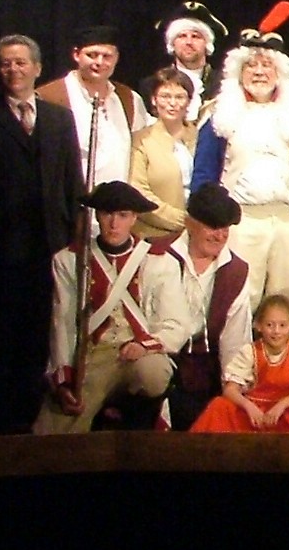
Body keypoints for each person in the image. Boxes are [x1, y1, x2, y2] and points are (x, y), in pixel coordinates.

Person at [0, 34, 82, 433]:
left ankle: (32, 421)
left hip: (51, 246)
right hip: (2, 250)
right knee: (2, 338)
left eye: (20, 62)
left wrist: (75, 238)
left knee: (42, 337)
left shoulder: (59, 119)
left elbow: (72, 182)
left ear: (37, 68)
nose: (13, 70)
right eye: (5, 63)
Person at [191, 2, 289, 324]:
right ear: (238, 72)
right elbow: (204, 176)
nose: (258, 72)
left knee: (288, 303)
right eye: (250, 65)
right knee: (239, 301)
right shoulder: (218, 113)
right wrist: (207, 225)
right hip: (239, 220)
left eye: (266, 65)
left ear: (279, 72)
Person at [33, 182, 190, 434]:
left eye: (123, 215)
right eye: (107, 214)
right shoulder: (70, 259)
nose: (114, 224)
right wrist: (64, 378)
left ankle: (135, 414)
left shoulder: (159, 261)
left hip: (139, 354)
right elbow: (62, 322)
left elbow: (177, 323)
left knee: (153, 374)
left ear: (134, 218)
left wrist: (144, 345)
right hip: (93, 355)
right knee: (53, 431)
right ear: (97, 215)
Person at [147, 183, 255, 430]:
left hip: (206, 372)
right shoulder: (157, 254)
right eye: (212, 227)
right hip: (161, 360)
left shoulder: (236, 270)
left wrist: (234, 388)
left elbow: (235, 341)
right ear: (189, 223)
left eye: (225, 229)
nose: (219, 236)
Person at [189, 295, 289, 433]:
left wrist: (282, 405)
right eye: (269, 325)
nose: (276, 331)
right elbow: (230, 389)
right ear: (259, 325)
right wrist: (249, 407)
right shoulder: (250, 351)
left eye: (282, 325)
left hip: (285, 412)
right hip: (254, 414)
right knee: (219, 405)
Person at [37, 25, 148, 187]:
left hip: (118, 199)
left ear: (117, 57)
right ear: (76, 54)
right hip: (70, 197)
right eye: (92, 55)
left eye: (107, 56)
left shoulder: (129, 99)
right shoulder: (49, 97)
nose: (99, 62)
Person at [129, 69, 198, 239]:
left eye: (179, 97)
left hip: (200, 234)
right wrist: (184, 221)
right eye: (165, 96)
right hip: (155, 235)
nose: (172, 103)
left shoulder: (201, 137)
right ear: (154, 99)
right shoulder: (141, 140)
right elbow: (138, 192)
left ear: (189, 101)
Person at [151, 1, 228, 119]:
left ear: (207, 44)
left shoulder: (224, 83)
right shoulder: (152, 84)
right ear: (172, 43)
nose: (189, 42)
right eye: (182, 36)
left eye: (196, 36)